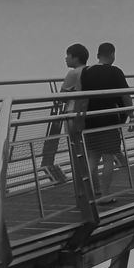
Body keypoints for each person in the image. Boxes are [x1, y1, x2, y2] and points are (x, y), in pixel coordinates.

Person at [80, 42, 134, 202]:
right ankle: (105, 194)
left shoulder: (86, 72)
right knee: (108, 157)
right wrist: (131, 114)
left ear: (97, 55)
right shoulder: (115, 72)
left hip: (89, 119)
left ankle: (91, 192)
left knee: (92, 158)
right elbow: (125, 95)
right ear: (112, 54)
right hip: (109, 119)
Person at [42, 43, 88, 184]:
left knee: (75, 148)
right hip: (86, 112)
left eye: (68, 55)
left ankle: (80, 182)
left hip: (72, 113)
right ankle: (89, 179)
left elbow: (62, 96)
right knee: (86, 148)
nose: (65, 58)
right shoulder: (89, 70)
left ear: (75, 58)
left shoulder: (73, 73)